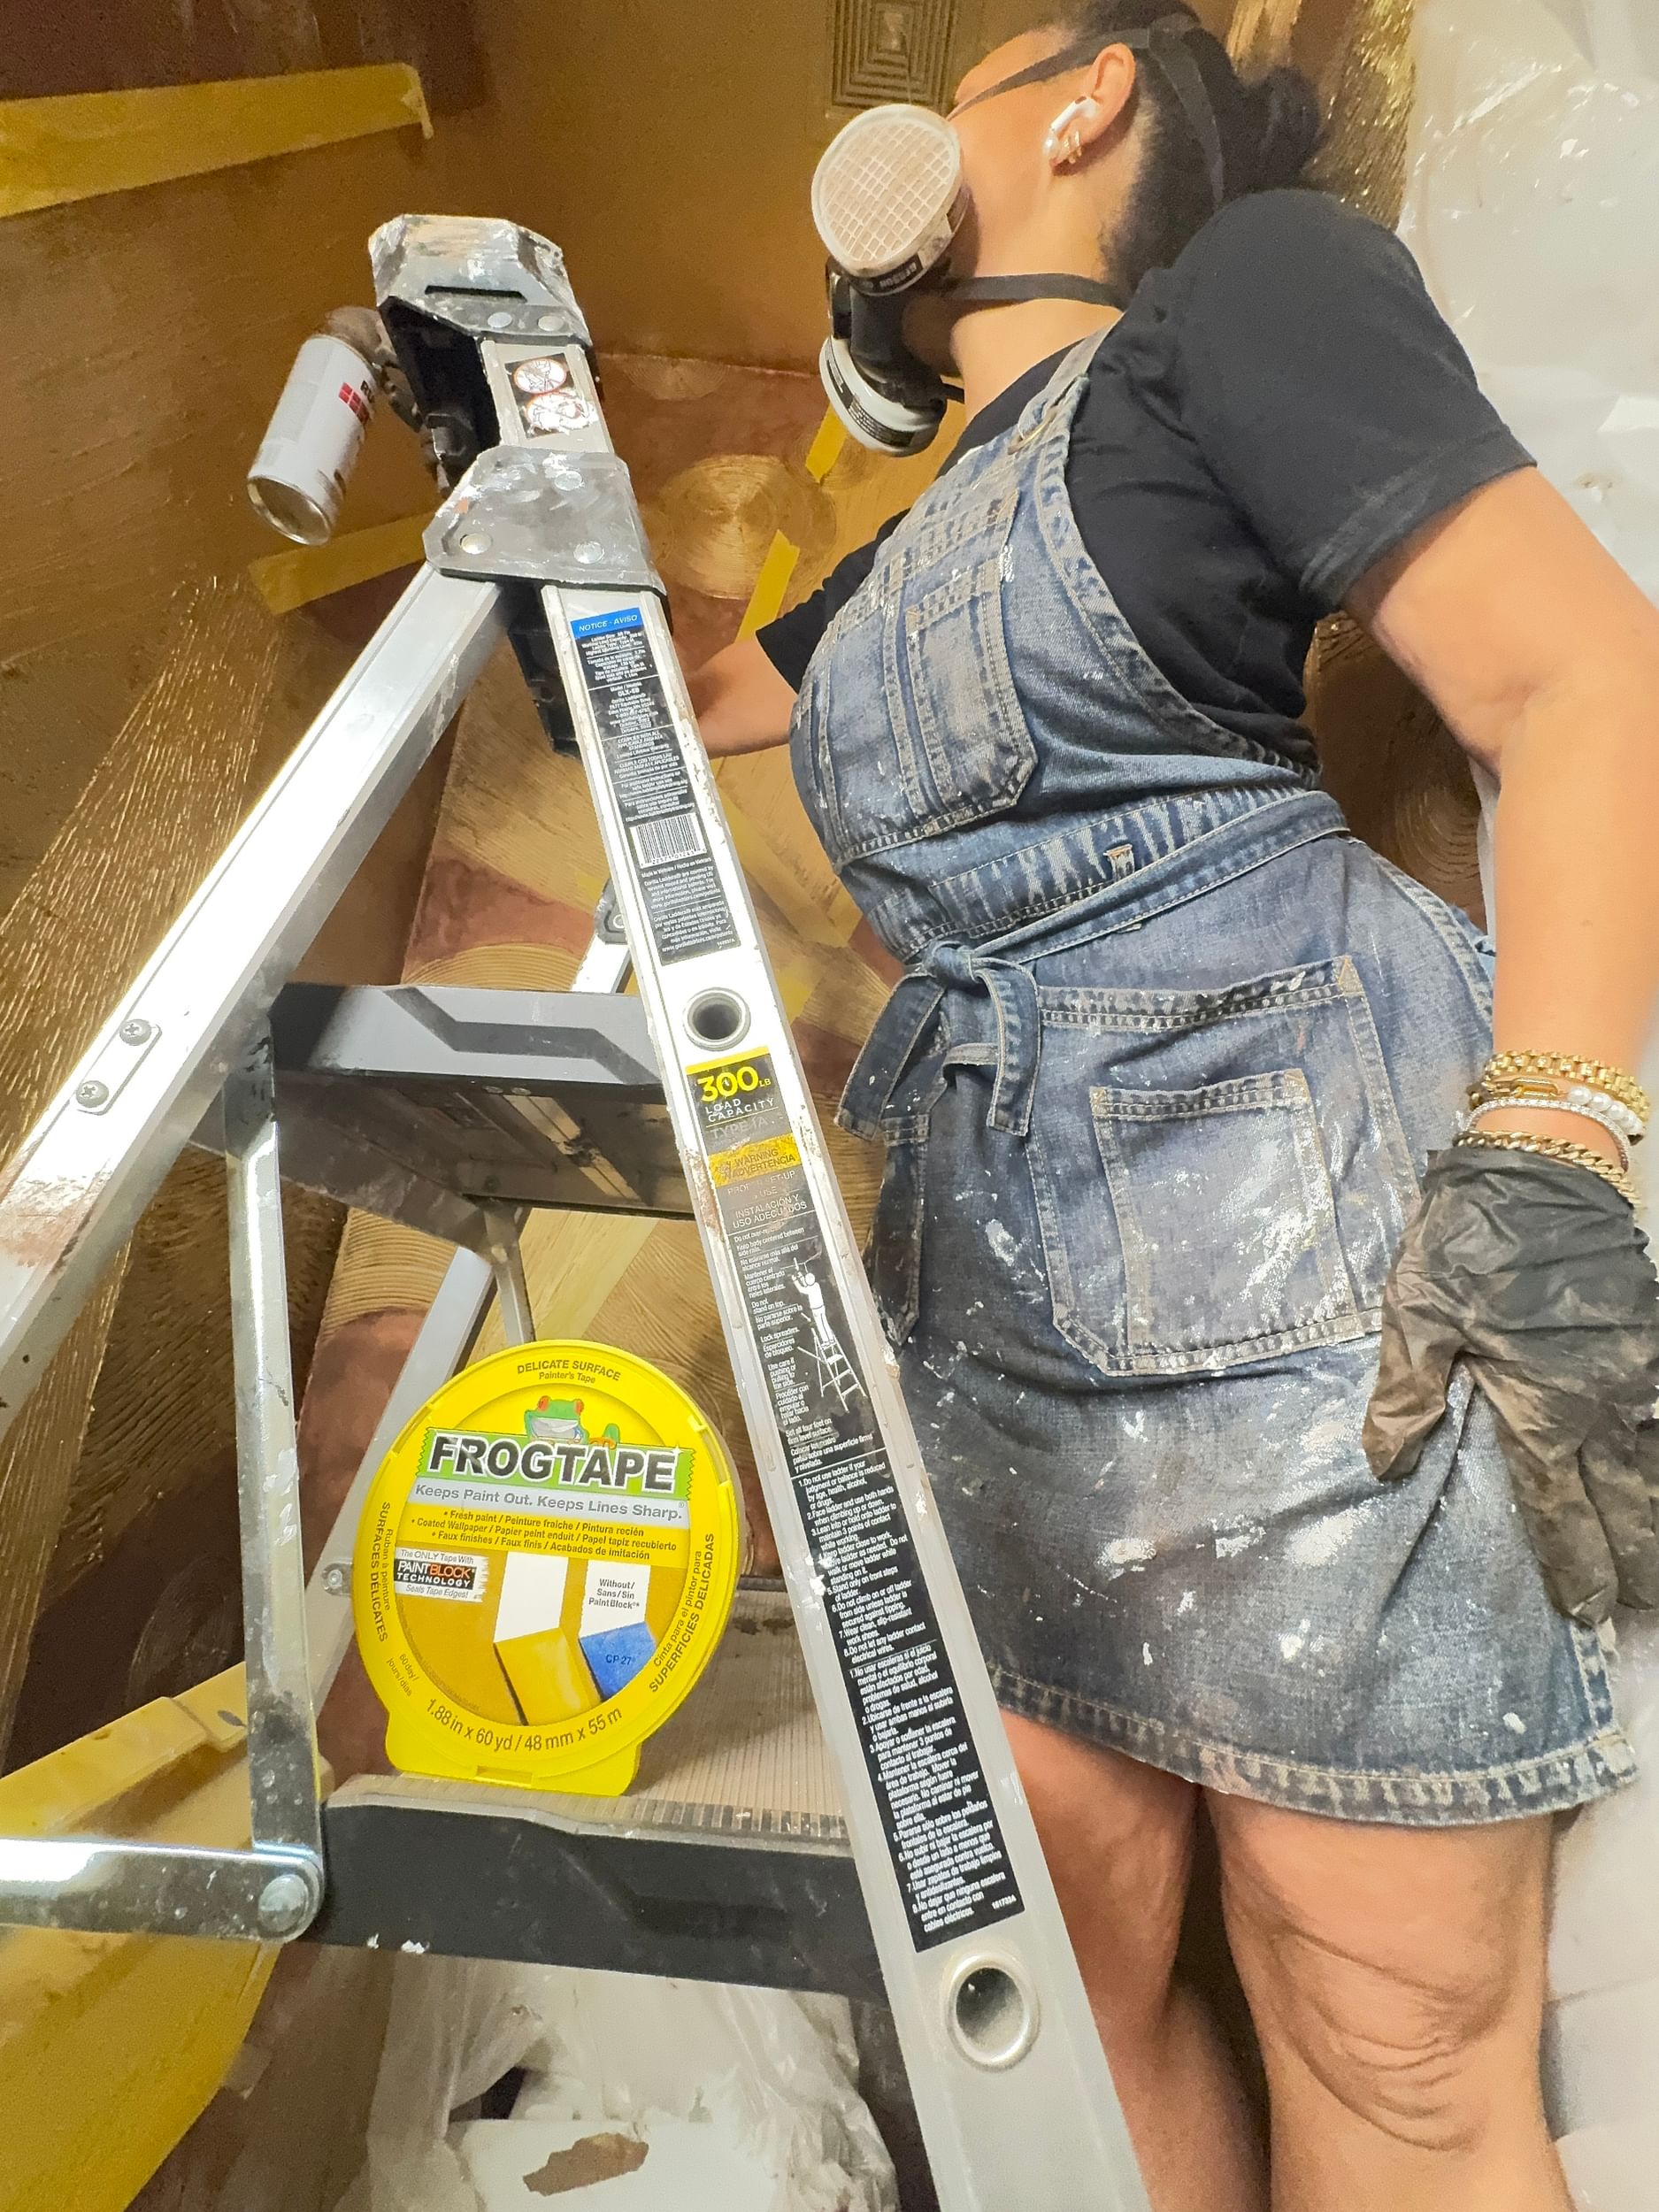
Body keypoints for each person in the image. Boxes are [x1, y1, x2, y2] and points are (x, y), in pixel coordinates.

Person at [687, 8, 1659, 2208]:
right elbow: (678, 687)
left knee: (1377, 2013)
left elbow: (1585, 679)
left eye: (965, 71)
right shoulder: (909, 549)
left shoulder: (1245, 301)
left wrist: (1549, 1150)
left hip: (1285, 1227)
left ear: (1083, 99)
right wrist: (505, 452)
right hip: (994, 1264)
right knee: (1053, 1959)